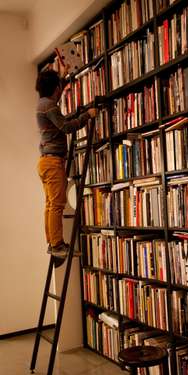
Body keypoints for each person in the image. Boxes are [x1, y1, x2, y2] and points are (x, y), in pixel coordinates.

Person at [35, 68, 97, 258]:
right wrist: (88, 115)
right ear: (56, 88)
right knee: (57, 204)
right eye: (59, 86)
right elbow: (67, 127)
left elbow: (60, 121)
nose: (61, 89)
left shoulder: (43, 103)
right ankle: (57, 244)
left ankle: (52, 243)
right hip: (53, 162)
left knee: (50, 204)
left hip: (45, 162)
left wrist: (63, 75)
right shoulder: (50, 106)